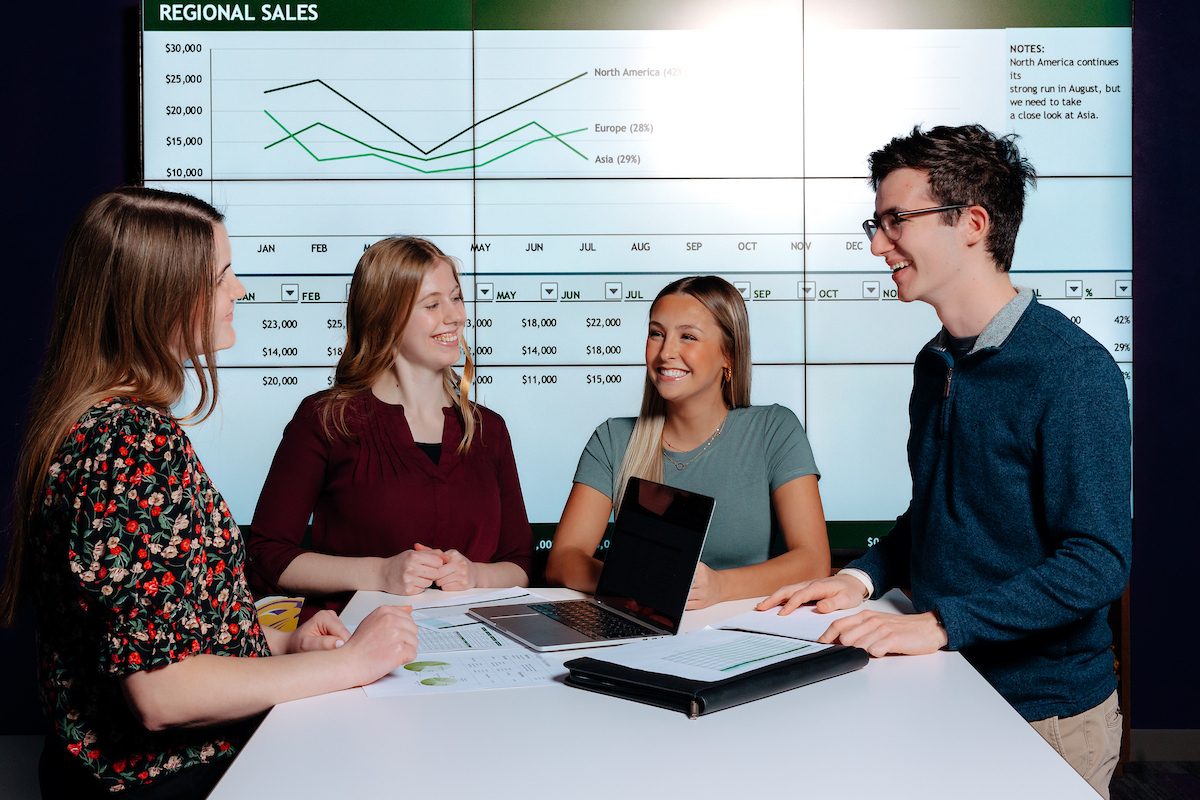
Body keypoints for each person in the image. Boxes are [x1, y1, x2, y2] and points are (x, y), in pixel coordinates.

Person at [0, 188, 419, 799]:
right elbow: (162, 694)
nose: (239, 292)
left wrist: (280, 642)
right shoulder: (129, 445)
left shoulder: (101, 424)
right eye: (222, 276)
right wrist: (351, 665)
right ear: (162, 296)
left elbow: (161, 627)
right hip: (166, 783)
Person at [758, 125, 1131, 797]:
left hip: (1041, 715)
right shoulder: (936, 364)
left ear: (973, 224)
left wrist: (938, 624)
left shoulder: (1073, 372)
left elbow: (1097, 561)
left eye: (896, 221)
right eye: (875, 224)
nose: (877, 245)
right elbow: (938, 514)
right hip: (943, 686)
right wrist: (861, 580)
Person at [247, 237, 533, 620]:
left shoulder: (489, 429)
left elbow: (520, 563)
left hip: (475, 650)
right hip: (353, 647)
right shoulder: (325, 419)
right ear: (386, 317)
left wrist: (476, 575)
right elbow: (268, 554)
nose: (455, 316)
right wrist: (380, 572)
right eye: (432, 305)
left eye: (456, 298)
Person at [546, 275, 830, 609]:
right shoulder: (612, 439)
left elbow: (814, 562)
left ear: (729, 355)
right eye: (657, 334)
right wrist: (640, 584)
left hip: (747, 632)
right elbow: (563, 560)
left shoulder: (774, 429)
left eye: (688, 336)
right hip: (644, 631)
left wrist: (719, 588)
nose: (666, 352)